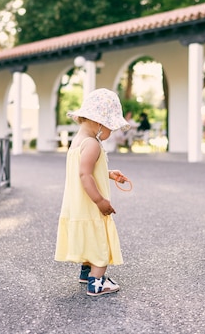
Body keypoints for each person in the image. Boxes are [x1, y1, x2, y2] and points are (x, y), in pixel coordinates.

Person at [55, 88, 131, 296]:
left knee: (89, 237)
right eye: (111, 128)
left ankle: (86, 270)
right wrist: (100, 201)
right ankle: (96, 282)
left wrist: (108, 173)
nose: (111, 133)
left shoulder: (78, 141)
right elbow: (85, 176)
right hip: (90, 205)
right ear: (99, 123)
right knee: (99, 242)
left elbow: (87, 170)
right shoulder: (93, 144)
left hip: (78, 206)